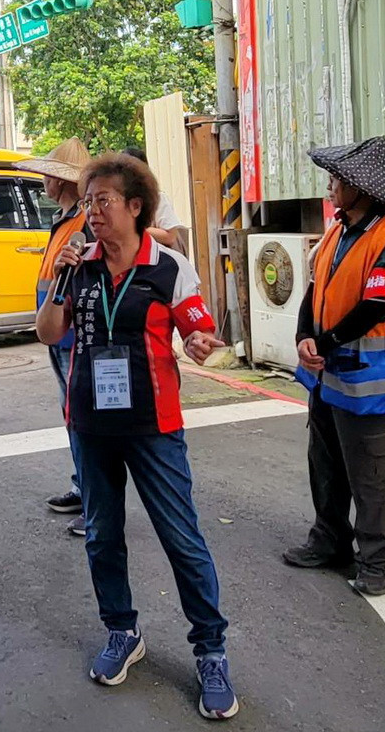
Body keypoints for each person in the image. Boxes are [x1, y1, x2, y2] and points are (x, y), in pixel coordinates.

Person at [36, 153, 238, 720]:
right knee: (102, 536)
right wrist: (61, 279)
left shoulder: (169, 267)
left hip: (154, 428)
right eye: (88, 201)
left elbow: (199, 328)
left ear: (134, 207)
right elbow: (48, 332)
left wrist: (200, 343)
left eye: (103, 201)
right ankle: (122, 632)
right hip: (90, 423)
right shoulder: (77, 264)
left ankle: (211, 650)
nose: (92, 211)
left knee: (182, 539)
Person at [284, 136, 385, 598]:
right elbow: (315, 287)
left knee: (372, 475)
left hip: (369, 382)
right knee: (325, 463)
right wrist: (305, 334)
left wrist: (323, 340)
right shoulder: (338, 231)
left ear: (361, 188)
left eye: (337, 179)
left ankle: (375, 560)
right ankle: (329, 539)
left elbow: (379, 304)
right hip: (327, 374)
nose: (330, 186)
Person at [14, 137, 93, 537]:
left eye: (48, 175)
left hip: (73, 333)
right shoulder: (66, 219)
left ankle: (95, 503)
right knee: (72, 415)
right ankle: (83, 488)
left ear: (60, 182)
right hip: (58, 332)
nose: (43, 181)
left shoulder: (82, 222)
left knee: (81, 417)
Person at [122, 147, 188, 256]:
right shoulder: (118, 201)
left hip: (160, 263)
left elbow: (170, 236)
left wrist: (133, 228)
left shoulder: (157, 198)